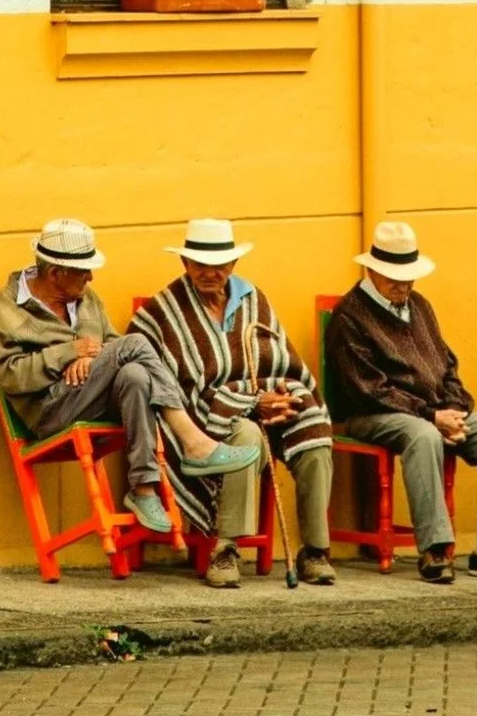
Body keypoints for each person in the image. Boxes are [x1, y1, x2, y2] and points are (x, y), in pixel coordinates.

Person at [0, 218, 259, 536]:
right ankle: (193, 441)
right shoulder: (5, 308)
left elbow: (114, 345)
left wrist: (91, 357)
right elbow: (9, 376)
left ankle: (143, 489)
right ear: (56, 273)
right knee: (138, 344)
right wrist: (68, 353)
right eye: (83, 270)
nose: (91, 276)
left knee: (134, 374)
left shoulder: (87, 298)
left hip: (91, 396)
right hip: (48, 410)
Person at [127, 218, 335, 588]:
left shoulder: (254, 299)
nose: (211, 272)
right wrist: (249, 403)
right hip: (203, 416)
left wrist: (280, 398)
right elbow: (152, 372)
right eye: (201, 264)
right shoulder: (164, 310)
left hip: (267, 398)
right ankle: (225, 550)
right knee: (246, 436)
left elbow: (283, 359)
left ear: (234, 264)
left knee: (314, 430)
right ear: (185, 264)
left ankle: (315, 551)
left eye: (220, 264)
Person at [325, 220, 477, 583]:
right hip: (372, 414)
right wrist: (432, 416)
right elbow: (367, 389)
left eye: (408, 276)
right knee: (423, 435)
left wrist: (454, 409)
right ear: (372, 269)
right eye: (394, 277)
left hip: (432, 411)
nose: (403, 284)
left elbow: (446, 363)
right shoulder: (350, 315)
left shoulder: (418, 305)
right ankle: (435, 550)